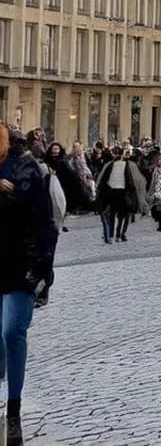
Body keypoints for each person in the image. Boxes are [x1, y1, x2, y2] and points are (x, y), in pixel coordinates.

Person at [0, 127, 56, 446]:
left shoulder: (25, 167)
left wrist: (42, 268)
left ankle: (14, 410)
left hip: (21, 261)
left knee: (11, 331)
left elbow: (44, 221)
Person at [94, 147, 146, 245]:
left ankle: (117, 234)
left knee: (121, 215)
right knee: (118, 215)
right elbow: (103, 179)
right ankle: (115, 234)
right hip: (116, 192)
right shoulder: (112, 165)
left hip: (120, 193)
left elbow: (138, 180)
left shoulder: (127, 165)